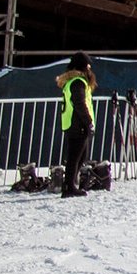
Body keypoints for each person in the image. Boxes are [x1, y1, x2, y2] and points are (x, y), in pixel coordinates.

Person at [57, 52, 97, 198]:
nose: (90, 67)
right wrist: (88, 122)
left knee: (79, 156)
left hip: (72, 122)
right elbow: (79, 103)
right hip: (77, 123)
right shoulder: (78, 82)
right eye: (88, 64)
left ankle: (71, 184)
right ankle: (69, 187)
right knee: (75, 157)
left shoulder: (73, 81)